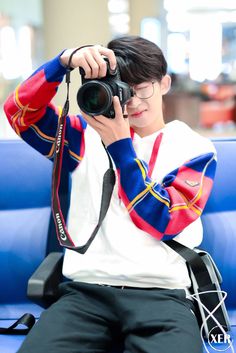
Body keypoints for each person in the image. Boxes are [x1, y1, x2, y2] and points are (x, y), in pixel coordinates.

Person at [4, 35, 216, 353]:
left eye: (142, 88)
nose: (133, 102)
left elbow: (164, 221)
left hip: (161, 293)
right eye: (124, 91)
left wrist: (120, 147)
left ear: (165, 84)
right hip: (85, 293)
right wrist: (61, 62)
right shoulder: (81, 138)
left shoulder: (195, 149)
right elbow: (20, 113)